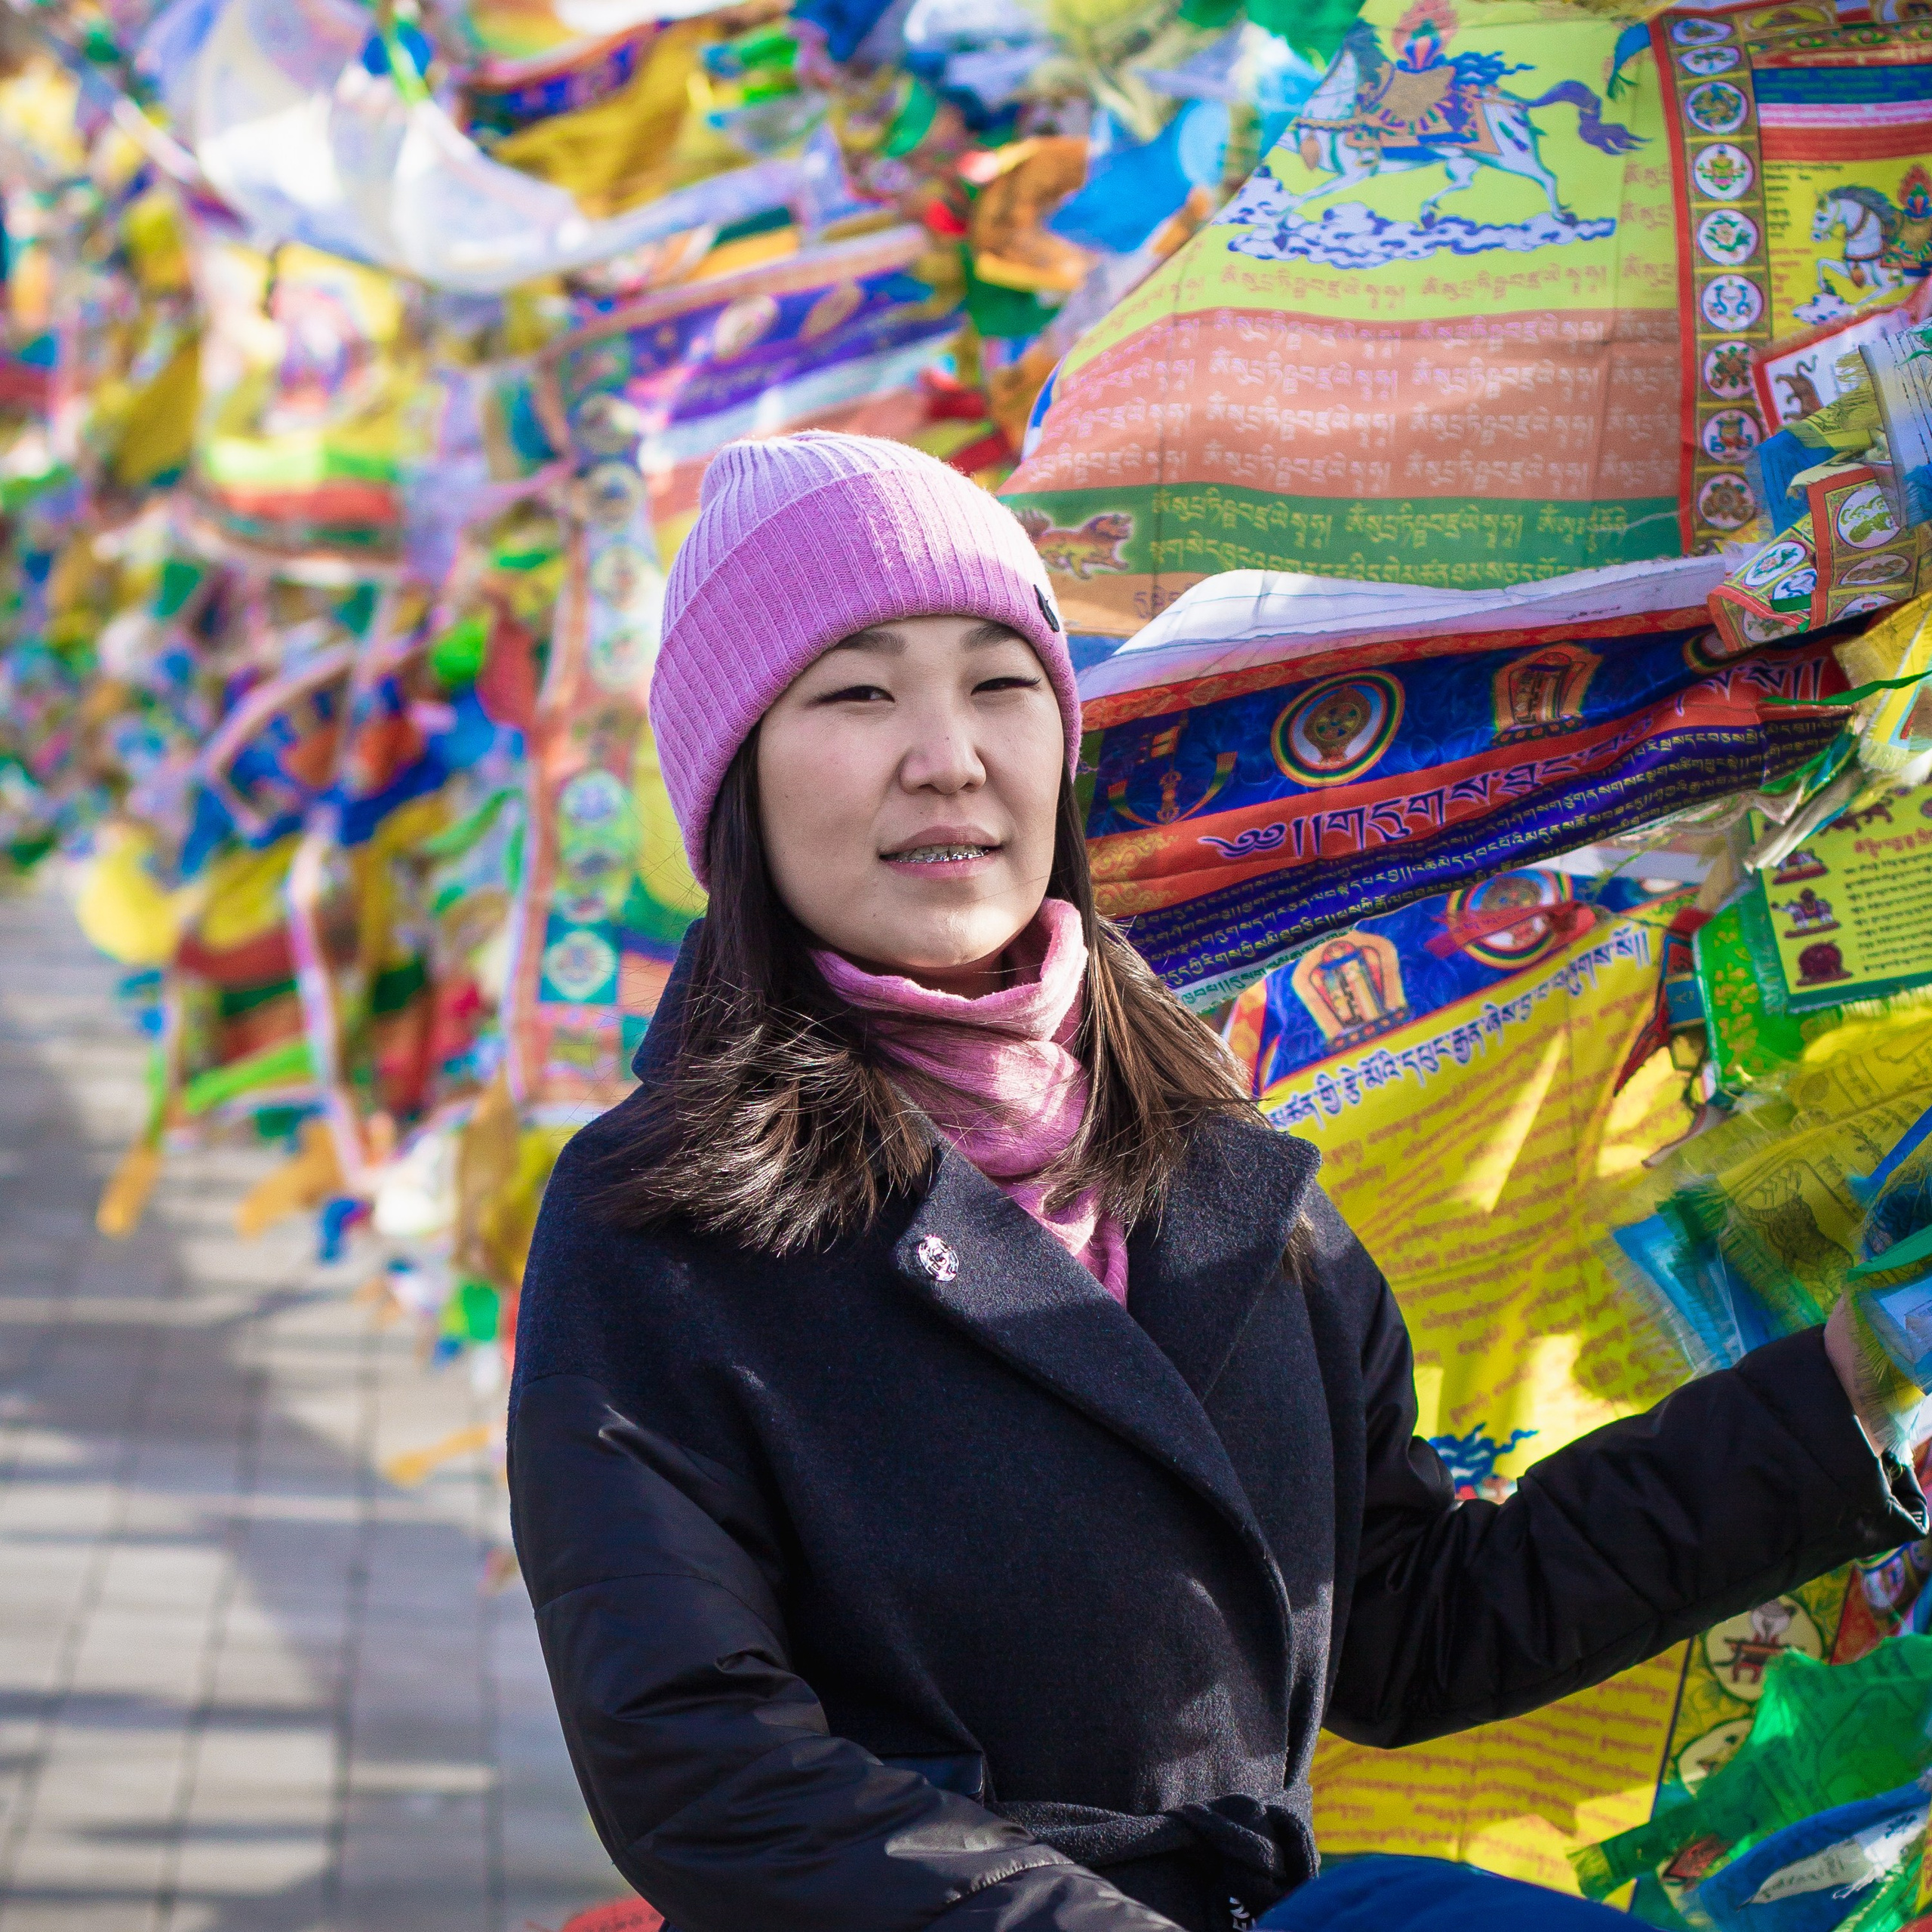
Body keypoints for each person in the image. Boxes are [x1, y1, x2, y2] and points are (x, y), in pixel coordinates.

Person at [509, 431, 1925, 1932]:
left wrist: (1845, 1392)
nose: (949, 752)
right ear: (733, 777)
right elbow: (698, 1759)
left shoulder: (1205, 1154)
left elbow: (1404, 1627)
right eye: (857, 692)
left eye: (999, 682)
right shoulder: (654, 1220)